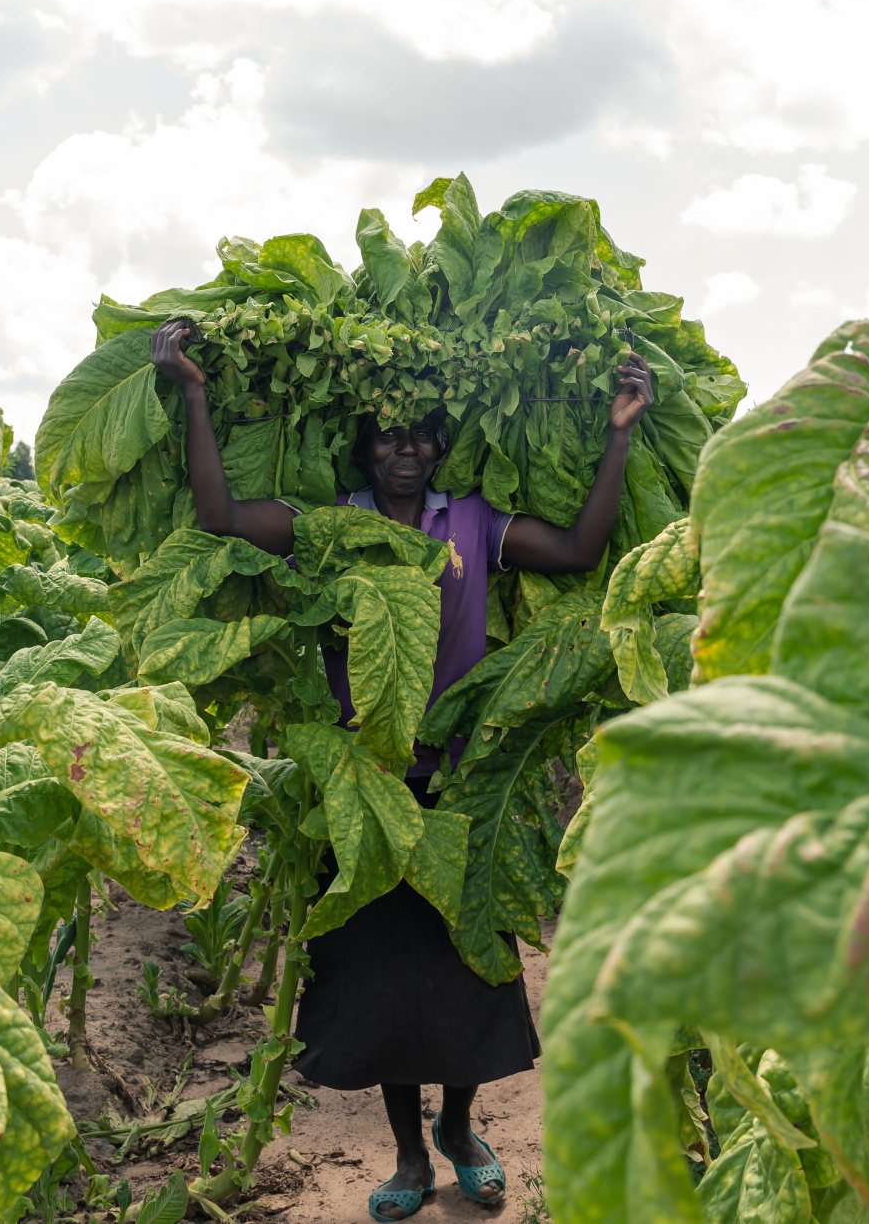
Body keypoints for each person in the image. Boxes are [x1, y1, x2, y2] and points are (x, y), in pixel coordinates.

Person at [151, 317, 654, 1220]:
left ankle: (462, 1130)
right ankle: (408, 1157)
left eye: (422, 432)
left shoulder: (472, 521)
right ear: (363, 445)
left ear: (441, 443)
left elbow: (580, 550)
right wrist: (193, 392)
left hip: (464, 786)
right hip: (364, 784)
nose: (407, 448)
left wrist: (619, 433)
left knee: (469, 972)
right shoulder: (330, 526)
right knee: (381, 983)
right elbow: (222, 519)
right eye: (389, 433)